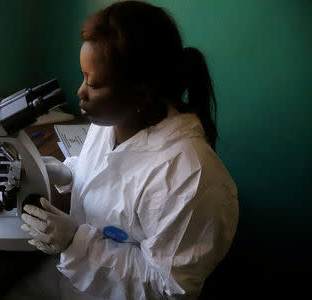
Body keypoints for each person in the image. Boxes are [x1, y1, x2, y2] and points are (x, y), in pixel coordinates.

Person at [21, 1, 238, 299]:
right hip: (74, 280)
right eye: (84, 76)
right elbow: (104, 176)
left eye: (93, 83)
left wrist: (75, 243)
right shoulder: (113, 120)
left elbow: (168, 287)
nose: (80, 92)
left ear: (141, 92)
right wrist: (66, 172)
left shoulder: (192, 179)